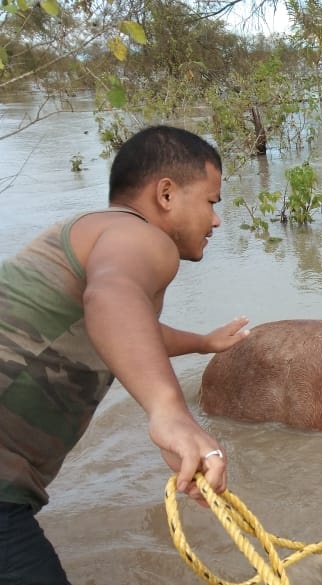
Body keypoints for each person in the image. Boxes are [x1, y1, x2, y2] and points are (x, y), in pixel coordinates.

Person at [0, 125, 251, 584]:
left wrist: (204, 342)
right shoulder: (143, 240)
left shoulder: (94, 234)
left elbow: (123, 325)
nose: (216, 220)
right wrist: (169, 412)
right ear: (167, 194)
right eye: (212, 202)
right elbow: (113, 297)